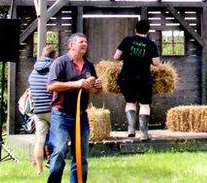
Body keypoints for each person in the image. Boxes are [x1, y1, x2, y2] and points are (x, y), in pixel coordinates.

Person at [46, 33, 103, 183]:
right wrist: (76, 84)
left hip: (81, 116)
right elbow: (51, 86)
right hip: (61, 115)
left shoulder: (89, 65)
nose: (84, 44)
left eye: (86, 42)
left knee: (81, 157)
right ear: (71, 45)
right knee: (59, 152)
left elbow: (94, 90)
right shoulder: (60, 62)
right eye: (81, 42)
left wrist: (97, 87)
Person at [113, 19, 161, 139]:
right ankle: (144, 133)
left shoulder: (127, 40)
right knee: (144, 104)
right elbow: (156, 63)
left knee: (130, 102)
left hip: (127, 77)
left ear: (135, 29)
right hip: (144, 78)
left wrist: (127, 57)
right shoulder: (151, 44)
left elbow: (116, 56)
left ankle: (131, 130)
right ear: (148, 31)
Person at [29, 44, 57, 173]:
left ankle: (39, 170)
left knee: (39, 141)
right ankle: (53, 164)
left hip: (38, 110)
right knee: (58, 138)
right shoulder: (53, 68)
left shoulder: (34, 71)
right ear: (54, 55)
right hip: (51, 109)